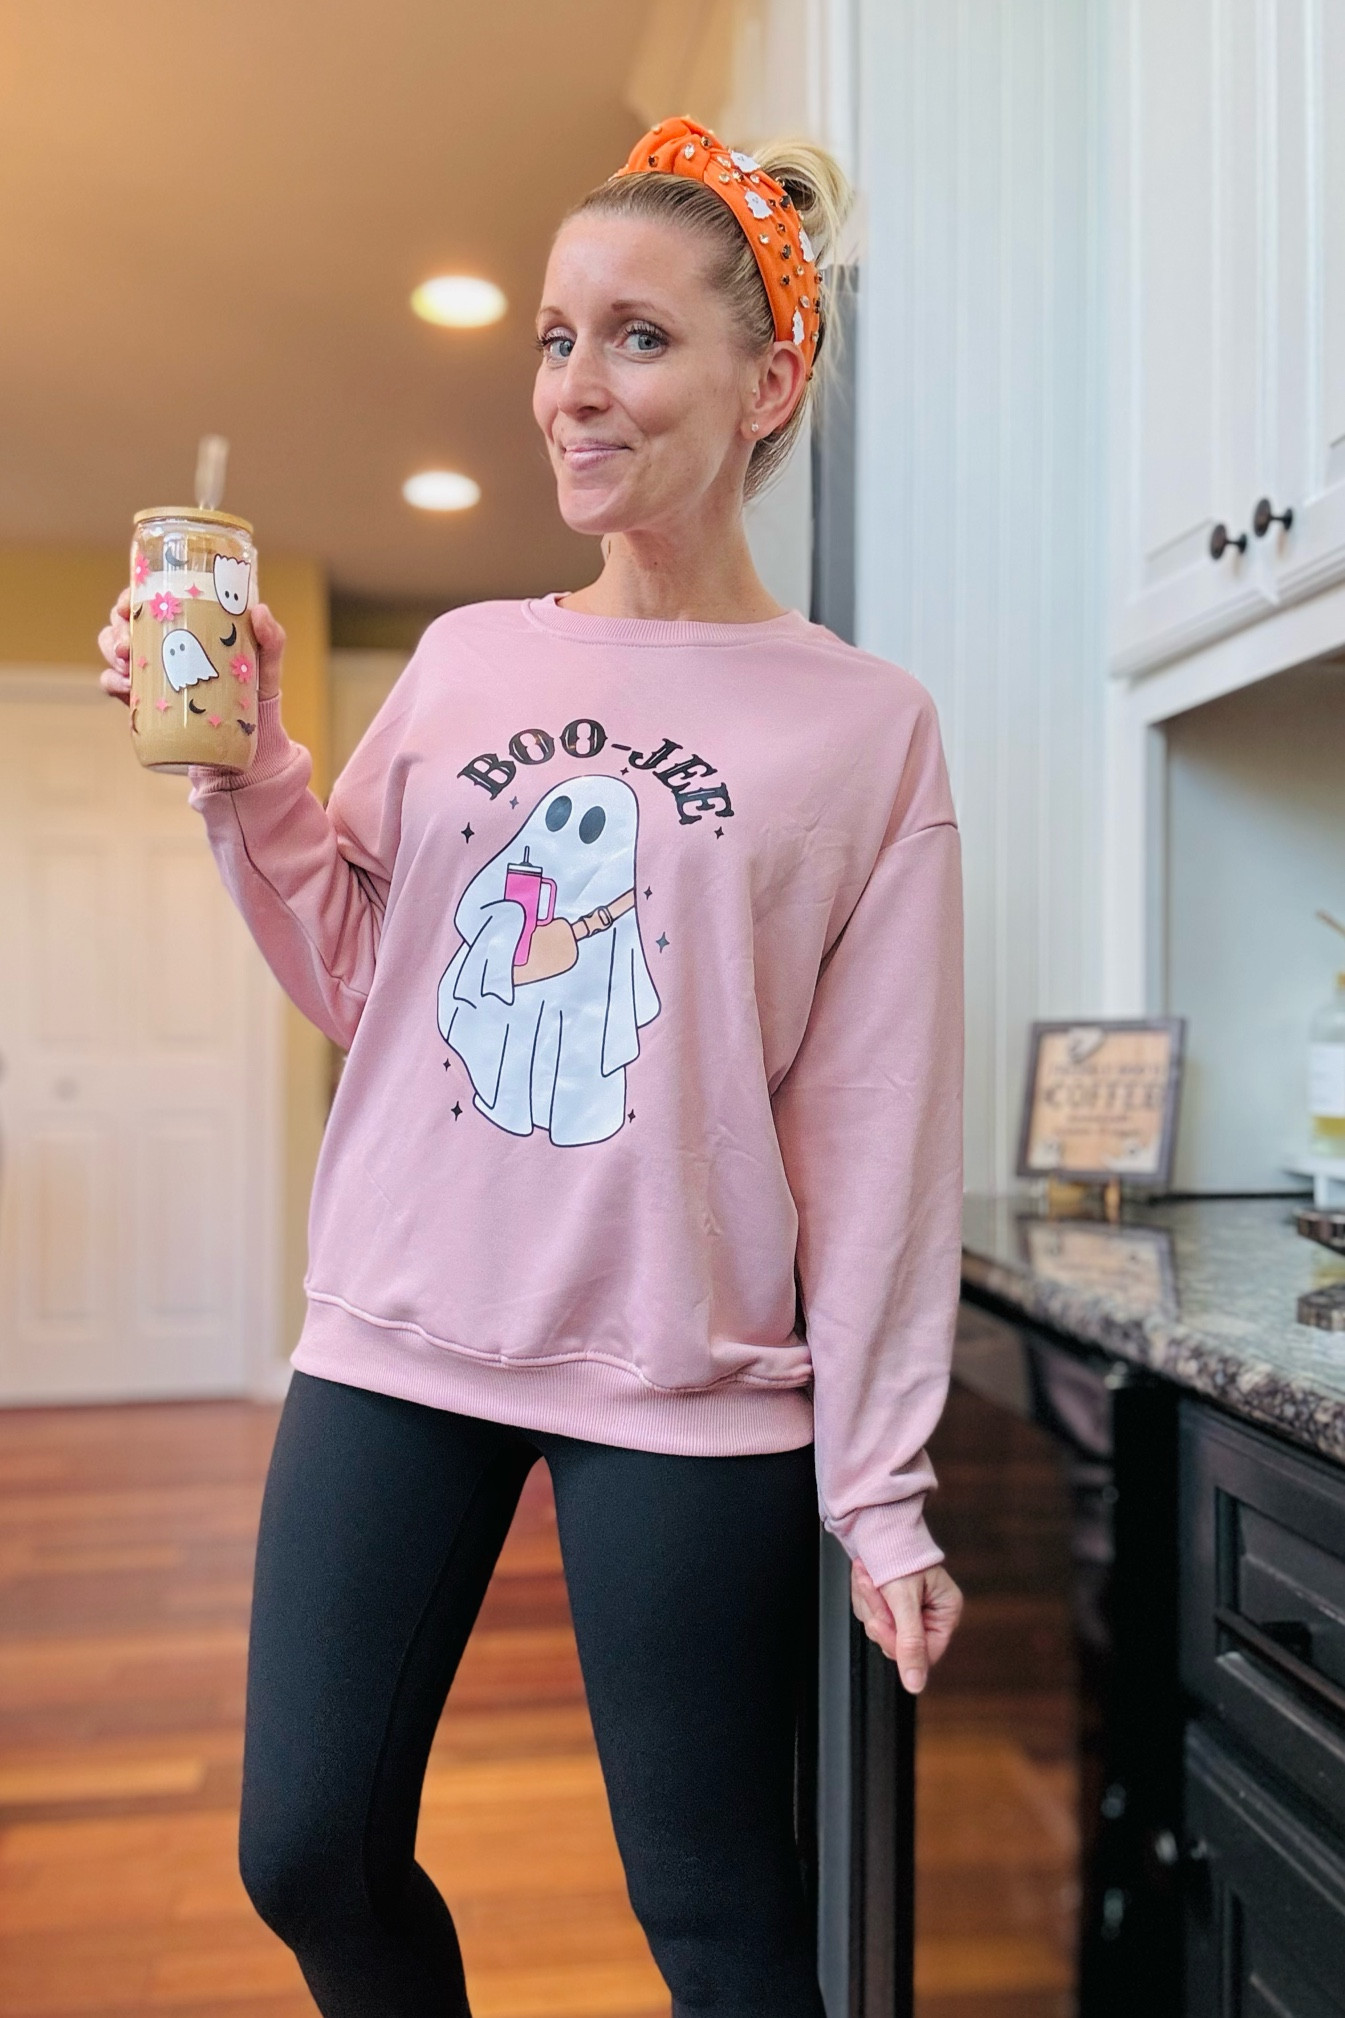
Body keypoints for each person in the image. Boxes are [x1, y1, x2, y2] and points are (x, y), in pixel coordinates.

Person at [98, 113, 965, 2018]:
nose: (572, 386)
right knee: (305, 1848)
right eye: (557, 337)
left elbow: (878, 1132)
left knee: (717, 1917)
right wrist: (248, 772)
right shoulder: (472, 660)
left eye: (636, 337)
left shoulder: (867, 729)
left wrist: (880, 1486)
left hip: (685, 1371)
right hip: (399, 1327)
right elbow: (366, 977)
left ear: (767, 381)